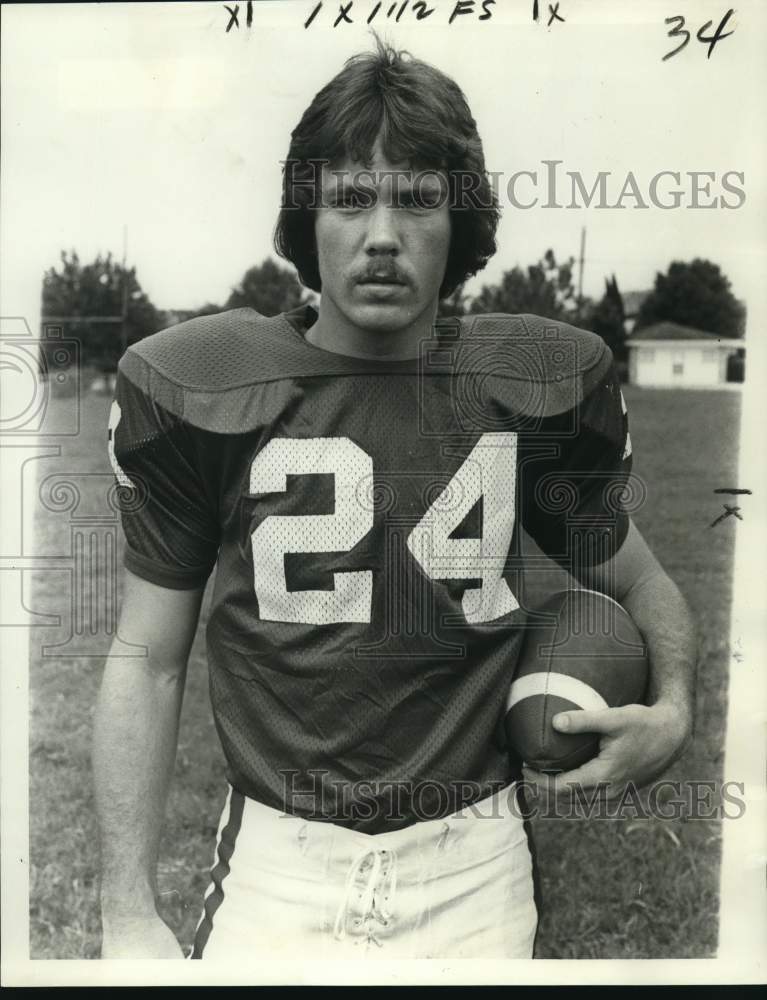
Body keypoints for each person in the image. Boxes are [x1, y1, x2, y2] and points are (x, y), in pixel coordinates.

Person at [95, 38, 695, 960]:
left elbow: (641, 582)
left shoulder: (524, 383)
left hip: (475, 866)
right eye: (348, 199)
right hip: (276, 867)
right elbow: (147, 659)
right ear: (308, 222)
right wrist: (127, 911)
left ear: (460, 226)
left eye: (416, 202)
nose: (382, 234)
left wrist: (676, 708)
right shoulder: (204, 388)